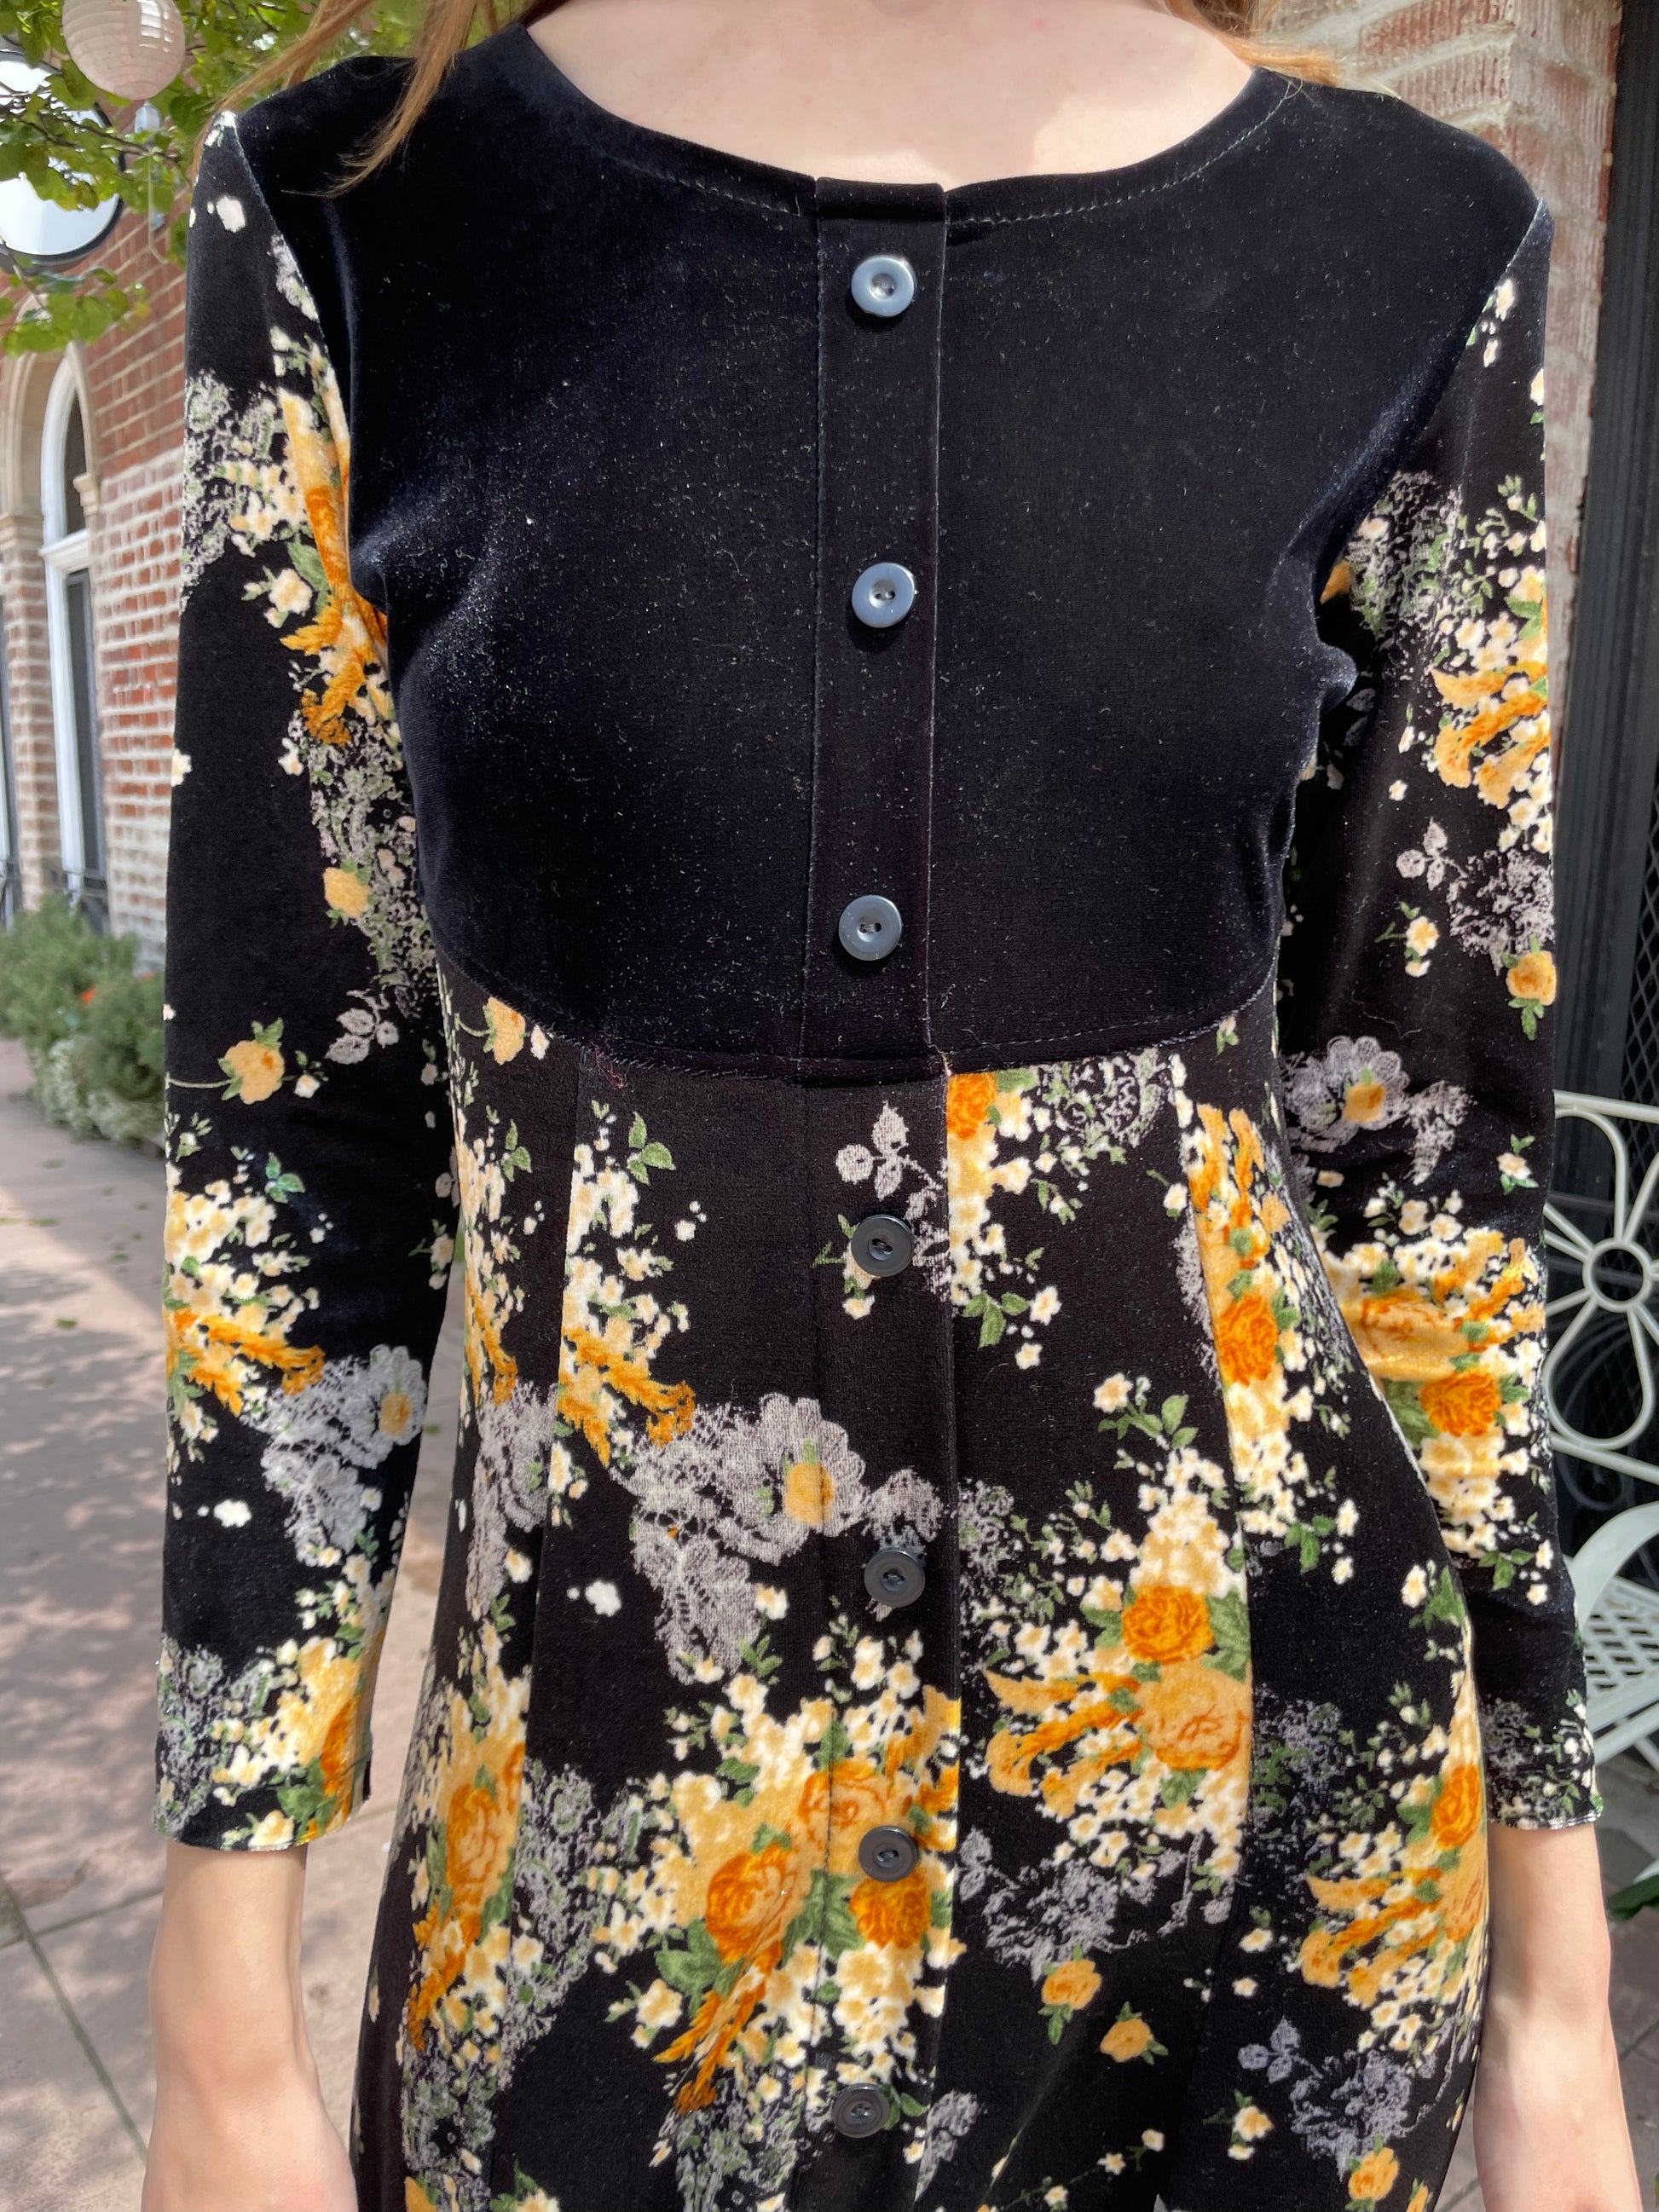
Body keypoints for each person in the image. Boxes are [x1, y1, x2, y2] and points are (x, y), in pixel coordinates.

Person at [142, 1, 1640, 2206]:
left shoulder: (1415, 255)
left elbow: (1424, 1173)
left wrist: (1554, 1996)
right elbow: (300, 1162)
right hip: (599, 1917)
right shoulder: (359, 228)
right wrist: (220, 2035)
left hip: (1254, 1917)